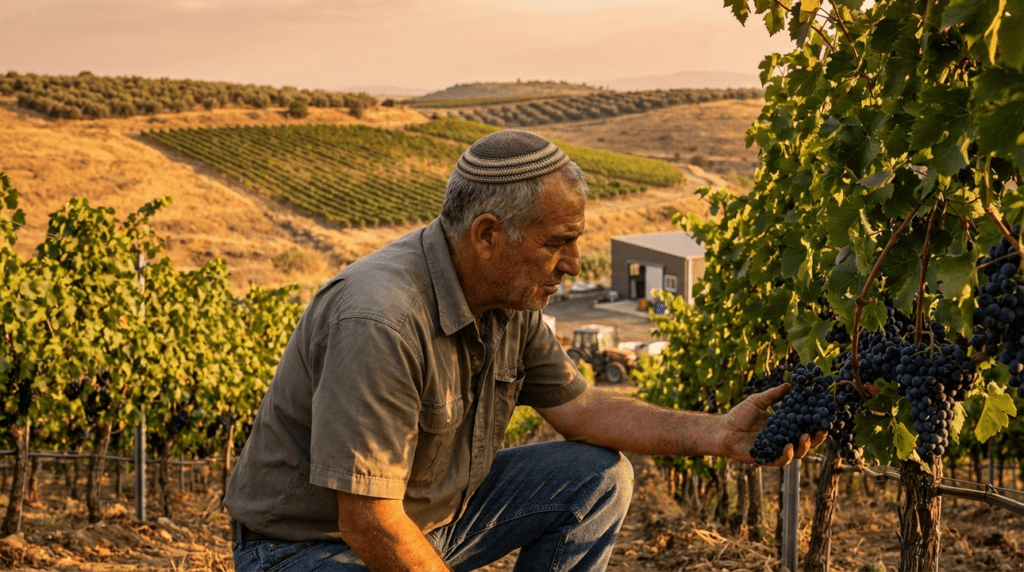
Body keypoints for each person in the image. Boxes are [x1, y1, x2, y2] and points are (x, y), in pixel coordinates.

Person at [224, 130, 823, 571]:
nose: (573, 265)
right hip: (307, 550)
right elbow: (368, 521)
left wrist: (716, 434)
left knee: (596, 477)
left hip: (435, 522)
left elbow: (582, 411)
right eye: (557, 243)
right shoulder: (381, 317)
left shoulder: (509, 301)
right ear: (487, 235)